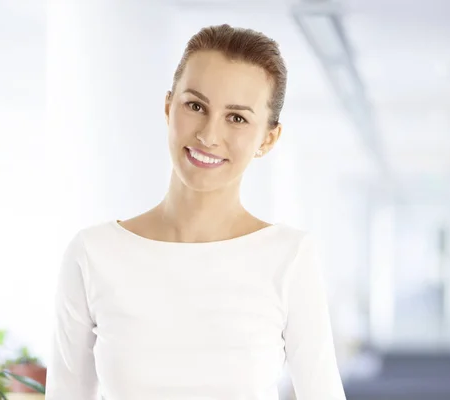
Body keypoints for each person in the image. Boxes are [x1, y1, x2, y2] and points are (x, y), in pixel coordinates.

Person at [46, 24, 346, 399]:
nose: (208, 135)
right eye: (195, 106)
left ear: (267, 139)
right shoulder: (92, 253)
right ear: (169, 106)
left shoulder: (290, 256)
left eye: (236, 117)